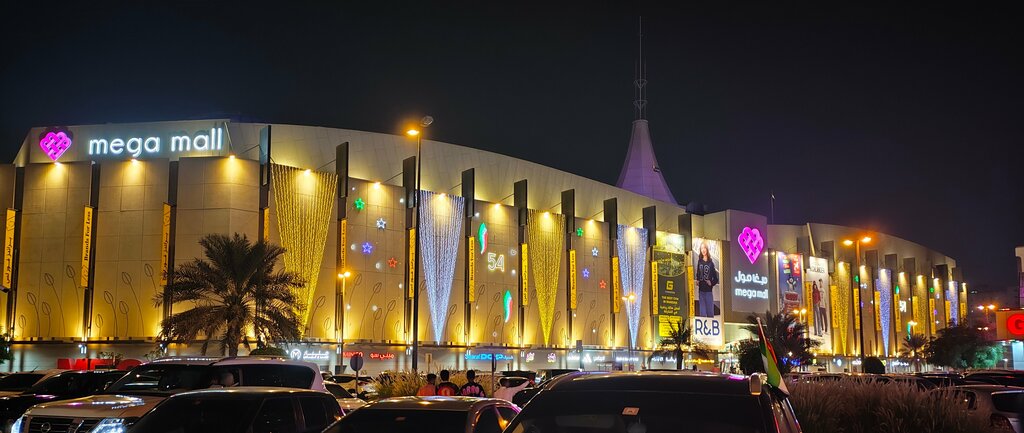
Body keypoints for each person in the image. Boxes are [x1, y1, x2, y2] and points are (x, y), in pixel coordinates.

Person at [695, 242, 719, 317]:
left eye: (704, 248)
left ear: (707, 249)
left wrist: (711, 283)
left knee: (710, 313)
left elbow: (716, 279)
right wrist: (697, 280)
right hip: (701, 291)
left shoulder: (711, 263)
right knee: (702, 313)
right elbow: (698, 273)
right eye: (701, 248)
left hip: (708, 291)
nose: (703, 250)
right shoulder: (699, 261)